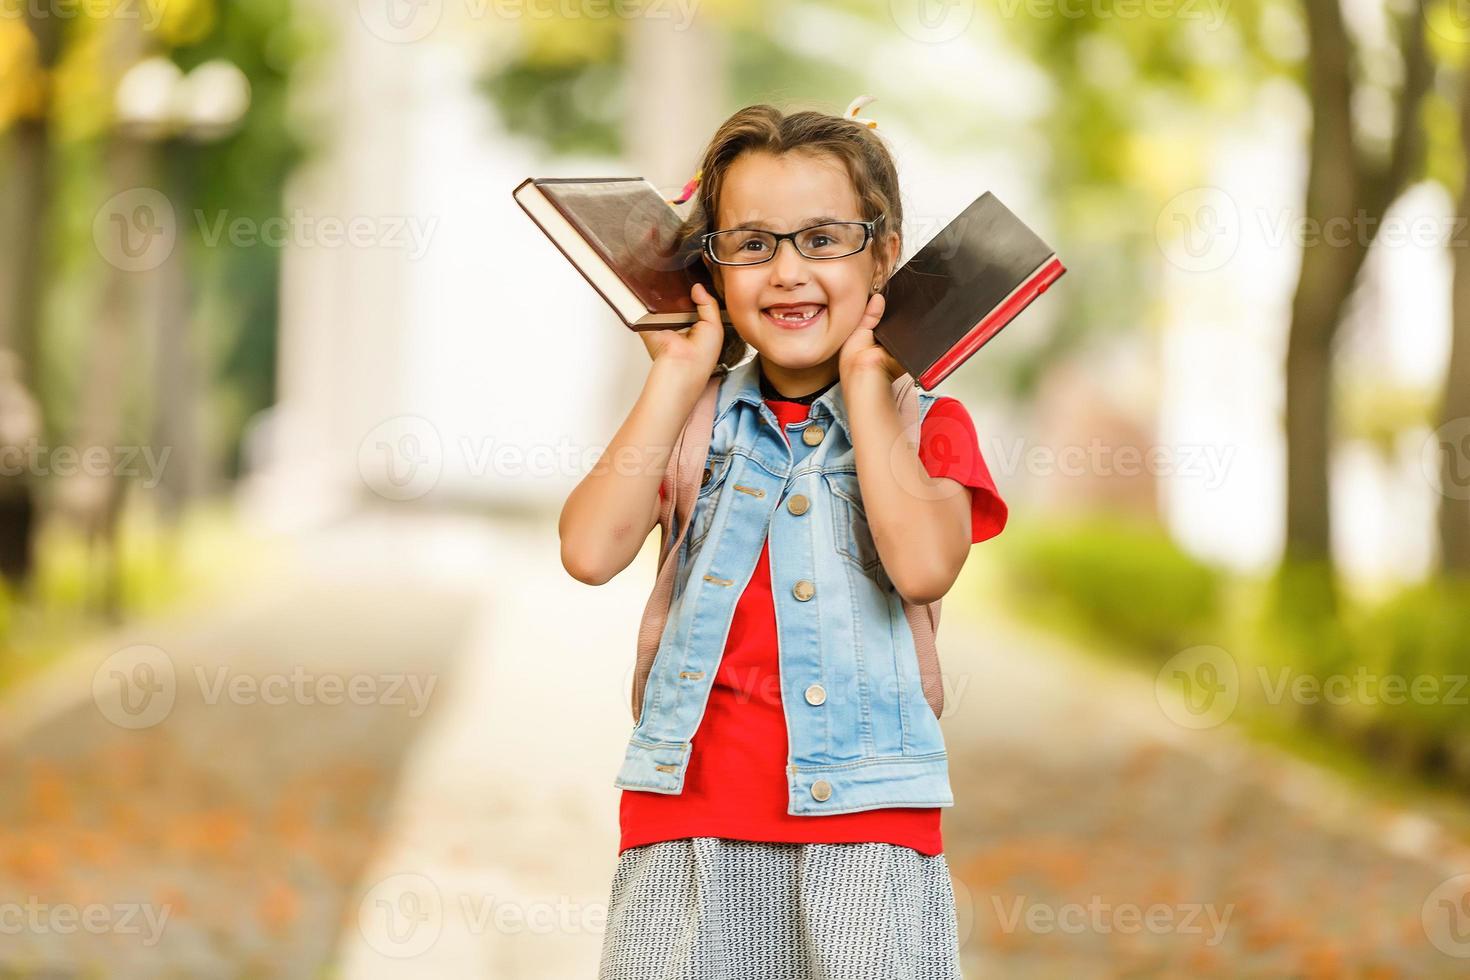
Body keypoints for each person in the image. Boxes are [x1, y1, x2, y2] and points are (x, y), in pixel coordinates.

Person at [559, 96, 1008, 979]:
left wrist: (871, 384)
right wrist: (680, 373)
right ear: (712, 269)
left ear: (884, 255)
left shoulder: (929, 424)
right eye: (753, 244)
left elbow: (921, 565)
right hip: (684, 819)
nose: (788, 272)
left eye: (823, 239)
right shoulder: (692, 420)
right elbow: (589, 550)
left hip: (868, 829)